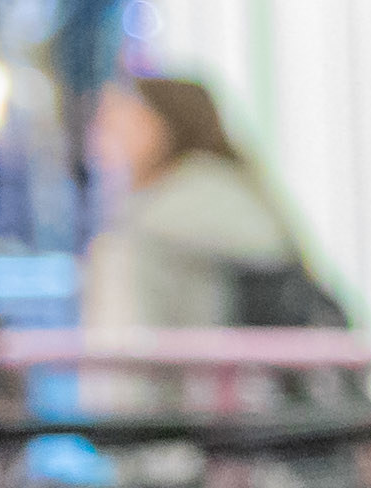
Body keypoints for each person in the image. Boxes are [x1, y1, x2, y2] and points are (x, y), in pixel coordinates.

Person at [76, 73, 339, 337]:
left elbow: (127, 346)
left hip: (211, 372)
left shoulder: (164, 219)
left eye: (119, 122)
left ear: (161, 127)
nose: (101, 140)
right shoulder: (231, 193)